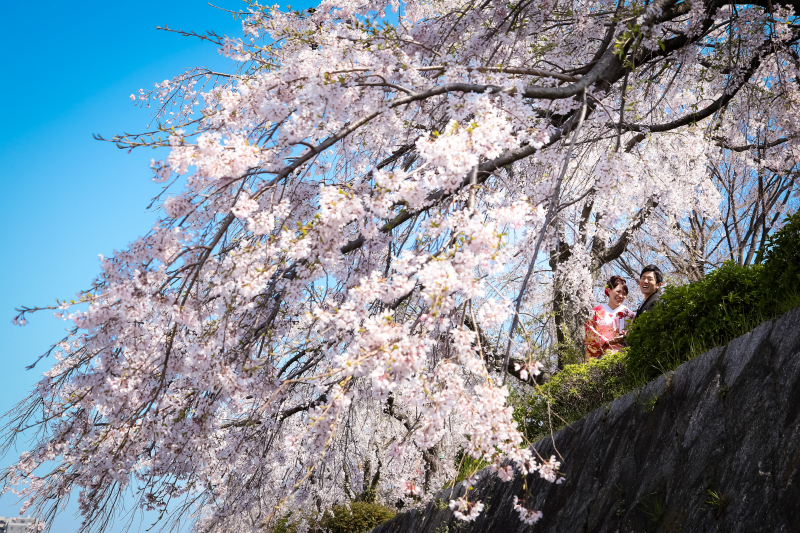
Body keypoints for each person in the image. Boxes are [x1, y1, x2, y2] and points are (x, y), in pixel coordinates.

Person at [584, 275, 636, 361]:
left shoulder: (629, 314)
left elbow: (634, 335)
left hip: (623, 358)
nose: (621, 296)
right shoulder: (596, 311)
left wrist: (624, 338)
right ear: (609, 290)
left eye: (624, 294)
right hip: (601, 357)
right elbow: (589, 332)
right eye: (618, 291)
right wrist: (606, 342)